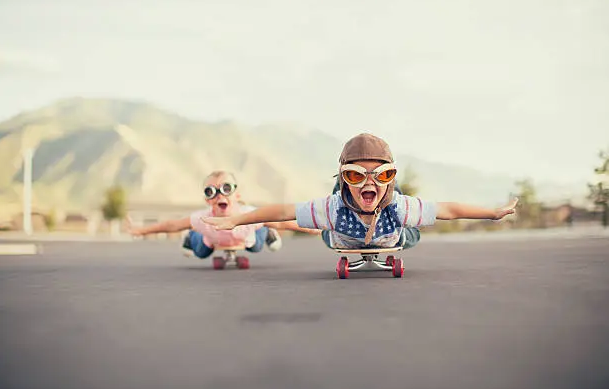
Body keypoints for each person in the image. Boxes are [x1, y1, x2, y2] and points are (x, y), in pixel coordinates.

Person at [202, 134, 518, 250]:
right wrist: (236, 220)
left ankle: (382, 185)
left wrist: (493, 213)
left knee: (409, 223)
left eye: (382, 175)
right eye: (355, 174)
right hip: (340, 233)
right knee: (329, 218)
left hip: (393, 235)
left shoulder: (401, 208)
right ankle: (347, 183)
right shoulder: (331, 209)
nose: (369, 182)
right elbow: (281, 211)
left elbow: (449, 210)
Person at [127, 170, 320, 259]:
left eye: (226, 188)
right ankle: (191, 237)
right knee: (201, 252)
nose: (219, 194)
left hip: (246, 237)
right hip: (212, 239)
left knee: (257, 244)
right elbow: (172, 225)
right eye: (211, 191)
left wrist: (311, 228)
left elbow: (281, 222)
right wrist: (140, 230)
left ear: (237, 195)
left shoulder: (248, 214)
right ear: (207, 200)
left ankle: (266, 233)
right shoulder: (202, 218)